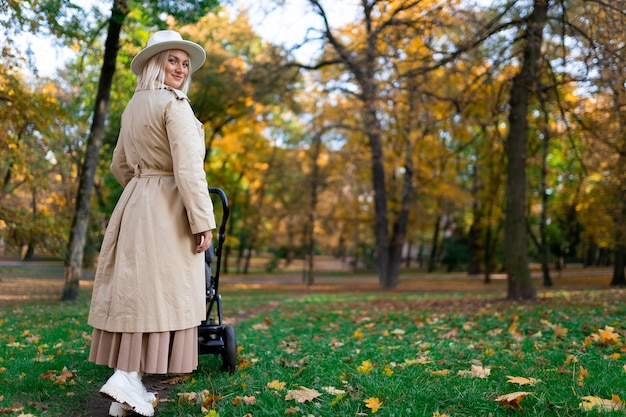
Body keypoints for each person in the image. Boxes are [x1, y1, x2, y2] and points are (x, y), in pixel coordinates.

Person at [87, 30, 215, 417]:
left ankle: (129, 385)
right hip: (168, 208)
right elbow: (190, 170)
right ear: (155, 64)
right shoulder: (175, 106)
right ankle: (126, 377)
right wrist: (202, 220)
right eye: (172, 60)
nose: (179, 68)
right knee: (159, 297)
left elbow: (119, 165)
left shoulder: (133, 106)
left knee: (137, 294)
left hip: (136, 203)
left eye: (184, 63)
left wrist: (143, 189)